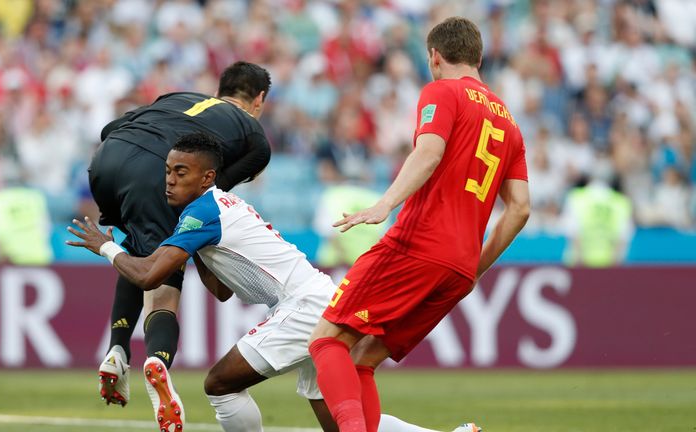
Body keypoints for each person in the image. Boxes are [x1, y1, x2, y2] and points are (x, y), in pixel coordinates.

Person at [68, 133, 476, 432]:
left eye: (181, 172)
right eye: (168, 172)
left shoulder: (204, 211)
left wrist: (106, 247)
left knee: (220, 385)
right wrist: (194, 250)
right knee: (338, 420)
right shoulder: (209, 210)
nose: (169, 180)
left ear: (207, 177)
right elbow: (223, 290)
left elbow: (148, 275)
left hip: (302, 306)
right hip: (318, 300)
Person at [307, 17, 531, 432]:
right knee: (363, 359)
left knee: (326, 341)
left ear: (434, 56)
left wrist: (384, 204)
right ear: (479, 58)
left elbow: (428, 152)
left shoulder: (441, 90)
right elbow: (520, 209)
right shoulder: (510, 124)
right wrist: (474, 268)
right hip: (459, 268)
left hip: (418, 245)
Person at [87, 61, 272, 412]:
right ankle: (157, 359)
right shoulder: (255, 137)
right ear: (259, 99)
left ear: (220, 90)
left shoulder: (178, 96)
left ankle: (117, 350)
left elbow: (110, 128)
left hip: (104, 163)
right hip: (154, 172)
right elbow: (206, 192)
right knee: (162, 285)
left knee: (138, 248)